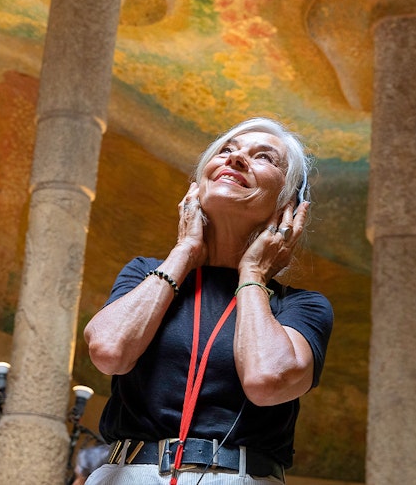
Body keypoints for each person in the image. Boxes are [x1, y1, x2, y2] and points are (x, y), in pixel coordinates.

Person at [83, 118, 333, 485]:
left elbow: (266, 381)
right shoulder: (145, 274)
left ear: (288, 205)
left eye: (263, 157)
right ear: (197, 186)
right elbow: (108, 352)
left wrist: (253, 274)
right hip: (126, 474)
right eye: (227, 151)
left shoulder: (303, 307)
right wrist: (184, 251)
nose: (236, 159)